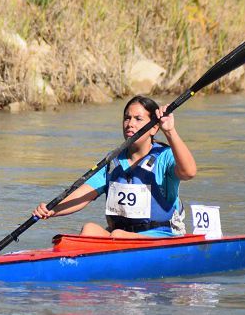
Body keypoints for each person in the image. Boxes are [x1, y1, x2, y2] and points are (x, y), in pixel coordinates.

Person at [32, 95, 197, 238]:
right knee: (89, 229)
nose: (130, 124)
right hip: (118, 235)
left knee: (118, 234)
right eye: (127, 118)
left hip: (159, 235)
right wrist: (53, 210)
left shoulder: (164, 156)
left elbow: (189, 172)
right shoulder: (113, 161)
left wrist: (170, 131)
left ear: (154, 127)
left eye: (138, 119)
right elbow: (83, 194)